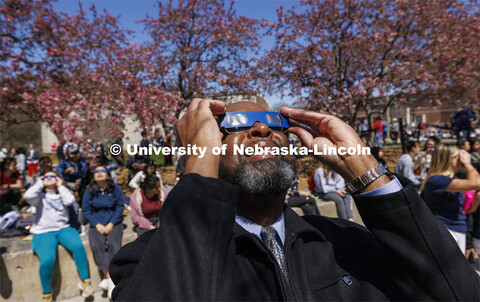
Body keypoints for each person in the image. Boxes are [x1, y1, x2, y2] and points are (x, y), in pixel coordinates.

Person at [110, 100, 479, 301]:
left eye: (273, 123)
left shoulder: (349, 243)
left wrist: (366, 170)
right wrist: (198, 165)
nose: (260, 129)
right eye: (234, 124)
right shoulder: (143, 260)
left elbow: (458, 292)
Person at [23, 171, 93, 301]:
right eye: (46, 176)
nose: (49, 178)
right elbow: (27, 196)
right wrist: (39, 182)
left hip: (63, 229)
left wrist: (61, 186)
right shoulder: (39, 196)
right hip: (43, 232)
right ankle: (47, 294)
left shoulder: (62, 193)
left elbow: (70, 200)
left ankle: (85, 281)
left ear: (58, 180)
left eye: (53, 176)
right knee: (48, 260)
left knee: (78, 247)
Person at [422, 144, 480, 254]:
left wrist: (476, 201)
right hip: (444, 230)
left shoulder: (454, 180)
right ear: (448, 159)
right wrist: (468, 163)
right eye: (457, 157)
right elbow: (477, 183)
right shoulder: (436, 180)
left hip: (459, 229)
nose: (461, 160)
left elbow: (465, 211)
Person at [82, 165, 124, 299]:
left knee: (114, 245)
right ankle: (110, 278)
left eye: (102, 171)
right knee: (97, 245)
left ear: (107, 175)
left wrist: (112, 223)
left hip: (113, 222)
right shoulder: (89, 191)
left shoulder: (115, 188)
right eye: (96, 171)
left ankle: (110, 280)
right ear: (93, 175)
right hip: (97, 223)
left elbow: (120, 206)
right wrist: (97, 225)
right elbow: (87, 210)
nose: (99, 173)